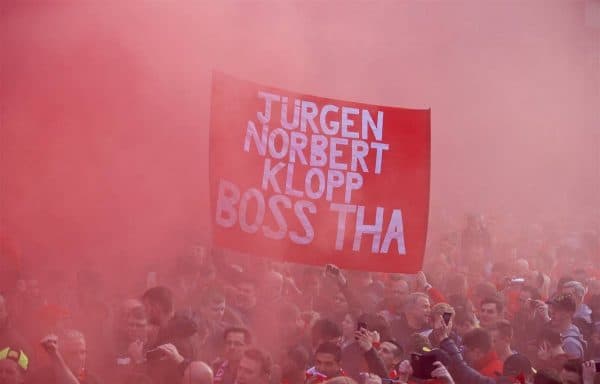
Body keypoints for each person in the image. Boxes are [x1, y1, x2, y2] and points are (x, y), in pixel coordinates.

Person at [26, 331, 102, 384]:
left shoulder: (91, 380)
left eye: (82, 352)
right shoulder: (42, 376)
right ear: (61, 354)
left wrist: (54, 355)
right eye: (73, 353)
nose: (79, 358)